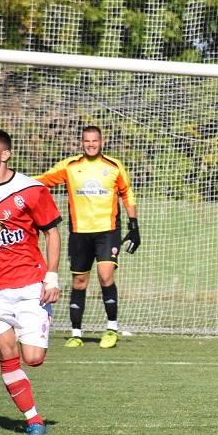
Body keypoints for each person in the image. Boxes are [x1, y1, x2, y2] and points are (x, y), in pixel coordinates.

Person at [0, 129, 62, 435]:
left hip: (28, 286)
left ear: (5, 154)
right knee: (8, 354)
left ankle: (25, 327)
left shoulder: (32, 190)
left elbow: (52, 233)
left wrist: (52, 277)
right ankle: (33, 419)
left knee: (33, 358)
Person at [36, 125, 139, 349]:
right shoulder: (70, 166)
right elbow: (42, 181)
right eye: (87, 141)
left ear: (102, 142)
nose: (91, 144)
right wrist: (12, 181)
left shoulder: (113, 166)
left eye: (95, 141)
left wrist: (134, 225)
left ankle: (111, 329)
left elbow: (127, 193)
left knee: (105, 275)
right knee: (79, 282)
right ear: (81, 143)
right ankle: (76, 333)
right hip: (79, 233)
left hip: (107, 231)